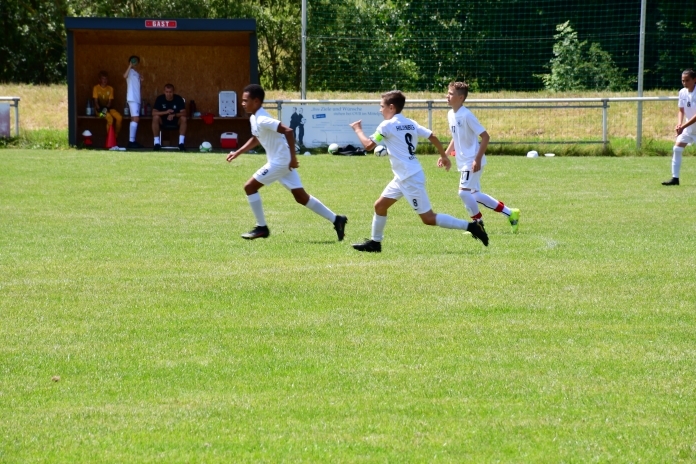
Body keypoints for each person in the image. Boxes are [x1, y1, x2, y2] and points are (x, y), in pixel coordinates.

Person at [348, 90, 488, 253]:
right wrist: (444, 156)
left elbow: (368, 145)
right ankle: (375, 243)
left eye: (382, 106)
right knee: (380, 206)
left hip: (409, 178)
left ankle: (472, 227)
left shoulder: (386, 125)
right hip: (403, 176)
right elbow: (432, 136)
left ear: (391, 107)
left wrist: (357, 129)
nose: (380, 110)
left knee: (428, 218)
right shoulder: (410, 123)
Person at [226, 84, 348, 241]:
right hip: (280, 161)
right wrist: (237, 152)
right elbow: (256, 138)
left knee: (249, 187)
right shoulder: (254, 118)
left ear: (256, 101)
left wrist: (293, 158)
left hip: (281, 162)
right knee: (301, 197)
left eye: (245, 100)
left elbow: (288, 131)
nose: (242, 103)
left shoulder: (263, 118)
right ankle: (337, 220)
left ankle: (261, 227)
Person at [445, 81, 520, 233]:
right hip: (464, 161)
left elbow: (485, 136)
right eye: (448, 93)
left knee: (463, 192)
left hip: (472, 161)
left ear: (460, 98)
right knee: (475, 195)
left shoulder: (467, 115)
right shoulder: (450, 114)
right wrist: (445, 154)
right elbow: (456, 136)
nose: (447, 96)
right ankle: (510, 213)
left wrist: (477, 159)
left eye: (451, 94)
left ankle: (478, 224)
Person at [663, 69, 696, 186]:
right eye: (683, 80)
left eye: (687, 80)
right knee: (677, 149)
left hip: (688, 126)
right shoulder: (682, 92)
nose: (684, 83)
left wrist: (683, 126)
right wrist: (679, 124)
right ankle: (675, 179)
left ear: (694, 79)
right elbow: (681, 110)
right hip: (688, 129)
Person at [152, 84, 187, 151]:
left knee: (183, 118)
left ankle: (181, 143)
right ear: (164, 92)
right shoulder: (160, 99)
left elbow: (184, 113)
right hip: (163, 121)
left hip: (176, 121)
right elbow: (153, 113)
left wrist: (174, 115)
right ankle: (156, 143)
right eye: (167, 92)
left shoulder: (178, 98)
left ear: (173, 92)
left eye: (170, 92)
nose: (168, 94)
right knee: (155, 117)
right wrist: (166, 112)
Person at [92, 71, 122, 138]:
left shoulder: (110, 88)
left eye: (106, 79)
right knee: (110, 118)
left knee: (119, 117)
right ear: (99, 80)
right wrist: (100, 110)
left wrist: (106, 109)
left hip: (107, 108)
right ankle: (109, 138)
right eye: (103, 79)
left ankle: (115, 136)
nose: (104, 80)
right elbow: (96, 101)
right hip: (99, 110)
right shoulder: (96, 88)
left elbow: (110, 102)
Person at [123, 55, 143, 149]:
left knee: (134, 118)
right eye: (133, 61)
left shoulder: (136, 73)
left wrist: (141, 80)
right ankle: (131, 141)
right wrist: (130, 65)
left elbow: (137, 86)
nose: (135, 63)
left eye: (136, 61)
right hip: (132, 98)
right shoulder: (130, 71)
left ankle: (132, 141)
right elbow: (124, 76)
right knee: (136, 118)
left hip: (137, 98)